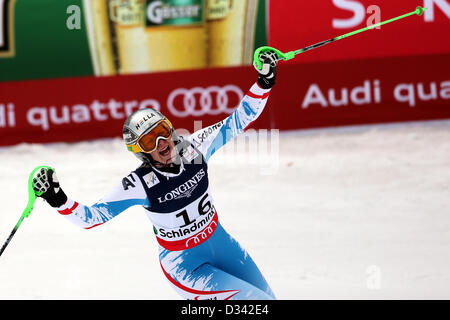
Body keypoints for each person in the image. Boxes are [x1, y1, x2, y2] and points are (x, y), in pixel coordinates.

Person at [32, 51, 279, 300]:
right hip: (186, 267)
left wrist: (263, 82)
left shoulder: (196, 147)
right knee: (256, 302)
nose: (162, 142)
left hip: (221, 244)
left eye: (162, 131)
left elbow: (239, 119)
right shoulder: (138, 184)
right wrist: (58, 198)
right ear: (141, 152)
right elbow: (92, 218)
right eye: (150, 140)